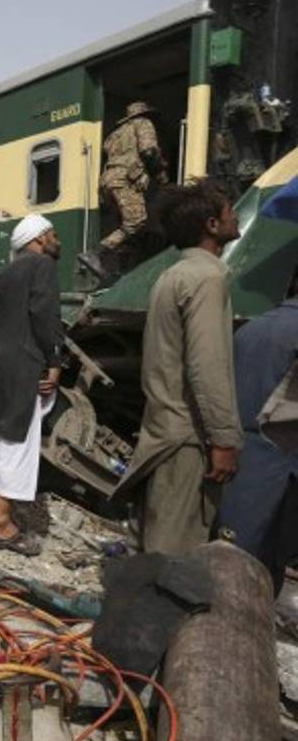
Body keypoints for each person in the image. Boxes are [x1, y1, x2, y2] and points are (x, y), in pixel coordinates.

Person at [117, 180, 244, 554]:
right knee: (174, 557)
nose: (236, 216)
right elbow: (207, 365)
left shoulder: (171, 275)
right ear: (212, 225)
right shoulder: (208, 278)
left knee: (152, 544)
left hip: (161, 431)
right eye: (230, 211)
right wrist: (223, 438)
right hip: (188, 439)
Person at [0, 215, 65, 557]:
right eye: (53, 234)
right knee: (18, 440)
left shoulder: (8, 271)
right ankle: (0, 523)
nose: (57, 241)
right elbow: (45, 315)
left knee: (1, 437)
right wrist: (55, 360)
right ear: (38, 239)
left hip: (0, 362)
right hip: (24, 363)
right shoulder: (42, 265)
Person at [215, 274, 298, 592]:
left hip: (239, 458)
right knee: (257, 574)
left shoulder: (252, 327)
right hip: (279, 469)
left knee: (225, 557)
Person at [80, 101, 168, 281]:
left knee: (126, 229)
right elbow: (149, 151)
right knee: (136, 222)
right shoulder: (143, 123)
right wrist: (159, 173)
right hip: (125, 180)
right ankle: (96, 253)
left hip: (108, 182)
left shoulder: (115, 134)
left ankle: (122, 268)